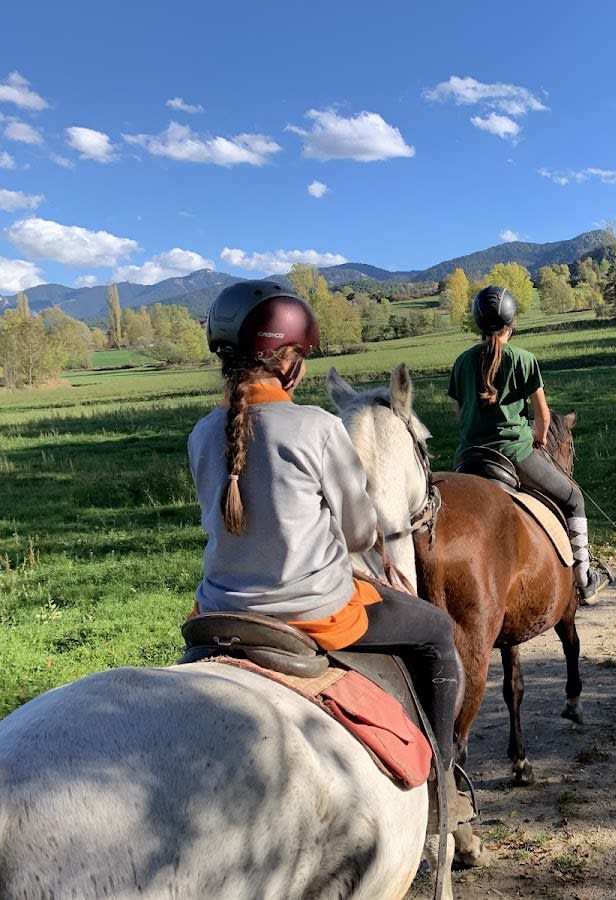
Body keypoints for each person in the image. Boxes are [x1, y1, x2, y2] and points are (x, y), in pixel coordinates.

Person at [188, 279, 473, 825]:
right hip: (313, 611)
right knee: (436, 631)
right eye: (302, 355)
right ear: (287, 360)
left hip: (219, 611)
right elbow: (361, 530)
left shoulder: (203, 433)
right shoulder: (317, 426)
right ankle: (442, 784)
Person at [448, 284, 605, 604]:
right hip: (513, 453)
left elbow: (459, 414)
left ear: (479, 324)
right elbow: (544, 417)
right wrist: (539, 438)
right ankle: (585, 577)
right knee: (574, 497)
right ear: (512, 322)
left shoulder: (461, 362)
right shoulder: (524, 359)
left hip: (467, 459)